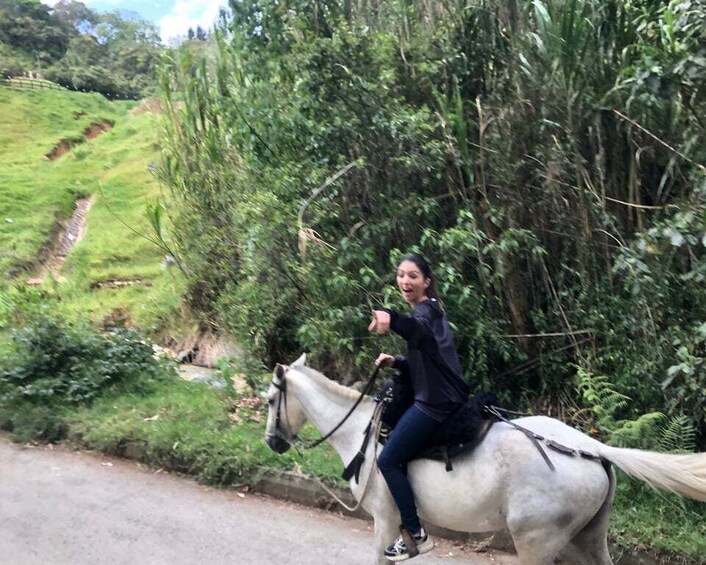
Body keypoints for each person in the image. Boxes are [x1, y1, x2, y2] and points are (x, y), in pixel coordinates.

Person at [368, 254, 470, 562]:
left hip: (435, 403)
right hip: (439, 395)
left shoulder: (427, 312)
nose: (405, 281)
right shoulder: (429, 311)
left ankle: (414, 533)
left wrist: (392, 317)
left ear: (426, 281)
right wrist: (396, 362)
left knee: (387, 460)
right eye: (401, 275)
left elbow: (418, 332)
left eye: (413, 276)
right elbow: (426, 357)